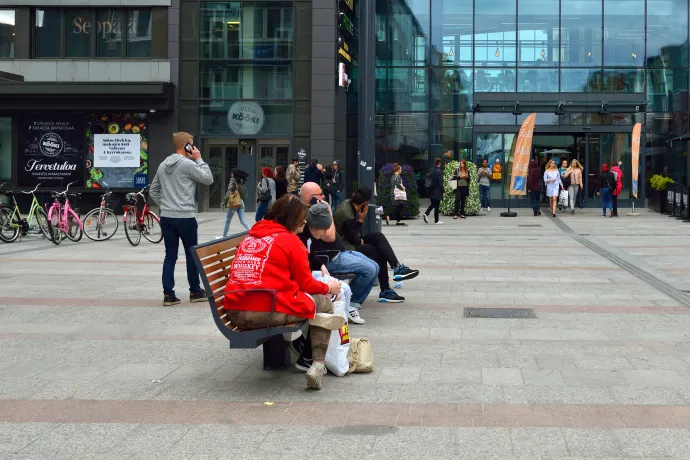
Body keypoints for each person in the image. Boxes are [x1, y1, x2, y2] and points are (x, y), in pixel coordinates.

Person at [223, 195, 344, 390]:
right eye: (302, 219)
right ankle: (316, 365)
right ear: (292, 219)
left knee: (309, 301)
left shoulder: (252, 236)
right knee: (324, 303)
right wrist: (329, 287)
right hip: (263, 310)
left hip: (233, 310)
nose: (304, 223)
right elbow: (307, 285)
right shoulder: (291, 241)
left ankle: (304, 350)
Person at [298, 182, 378, 326]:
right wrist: (328, 210)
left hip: (337, 252)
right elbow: (330, 236)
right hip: (329, 258)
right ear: (311, 197)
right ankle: (353, 305)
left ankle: (354, 304)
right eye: (320, 194)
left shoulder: (315, 210)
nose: (323, 196)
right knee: (370, 269)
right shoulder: (311, 213)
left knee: (374, 265)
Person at [149, 132, 214, 306]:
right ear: (186, 145)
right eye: (191, 144)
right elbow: (208, 179)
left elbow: (153, 190)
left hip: (167, 218)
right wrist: (199, 159)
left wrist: (165, 205)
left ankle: (168, 295)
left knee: (170, 256)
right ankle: (195, 291)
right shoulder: (187, 164)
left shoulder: (163, 165)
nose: (193, 148)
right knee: (191, 255)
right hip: (185, 217)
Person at [333, 186, 420, 303]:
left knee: (378, 236)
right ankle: (385, 290)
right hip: (345, 247)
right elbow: (354, 239)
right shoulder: (347, 215)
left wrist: (358, 238)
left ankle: (396, 267)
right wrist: (361, 220)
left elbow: (354, 235)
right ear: (365, 203)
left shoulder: (348, 204)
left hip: (349, 240)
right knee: (378, 251)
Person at [221, 168, 250, 237]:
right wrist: (242, 199)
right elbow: (246, 192)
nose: (231, 174)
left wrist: (224, 202)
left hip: (234, 203)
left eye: (232, 173)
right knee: (243, 220)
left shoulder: (232, 180)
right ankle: (251, 231)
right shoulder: (241, 181)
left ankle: (224, 236)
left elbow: (228, 192)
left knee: (228, 220)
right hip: (241, 202)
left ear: (233, 174)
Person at [423, 158, 444, 225]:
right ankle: (436, 220)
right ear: (439, 163)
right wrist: (443, 191)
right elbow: (440, 183)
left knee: (433, 204)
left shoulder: (431, 169)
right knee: (437, 205)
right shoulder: (439, 171)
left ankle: (426, 214)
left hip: (430, 189)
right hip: (437, 190)